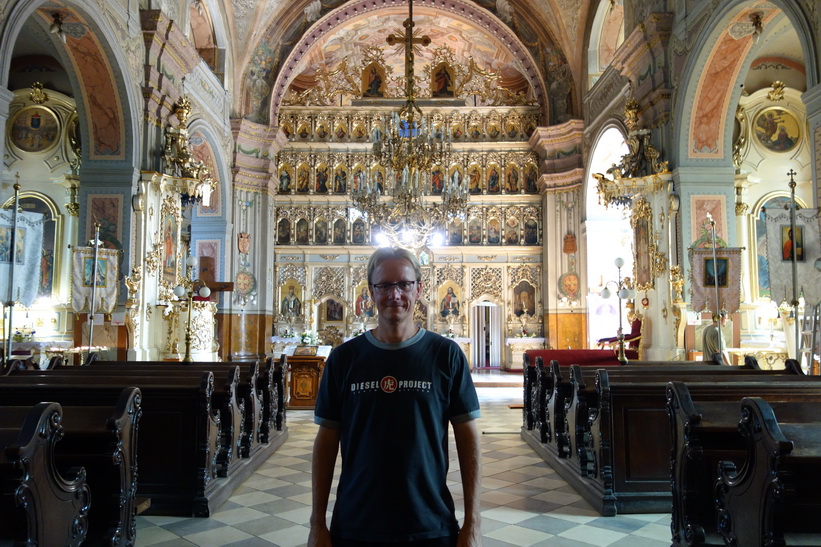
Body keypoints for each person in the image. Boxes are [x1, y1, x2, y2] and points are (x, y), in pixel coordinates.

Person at [309, 247, 482, 547]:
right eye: (384, 285)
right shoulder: (344, 359)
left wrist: (473, 523)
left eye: (404, 284)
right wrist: (317, 524)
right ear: (371, 292)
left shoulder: (446, 355)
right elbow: (327, 440)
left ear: (419, 288)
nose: (395, 294)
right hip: (356, 523)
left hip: (430, 523)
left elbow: (468, 439)